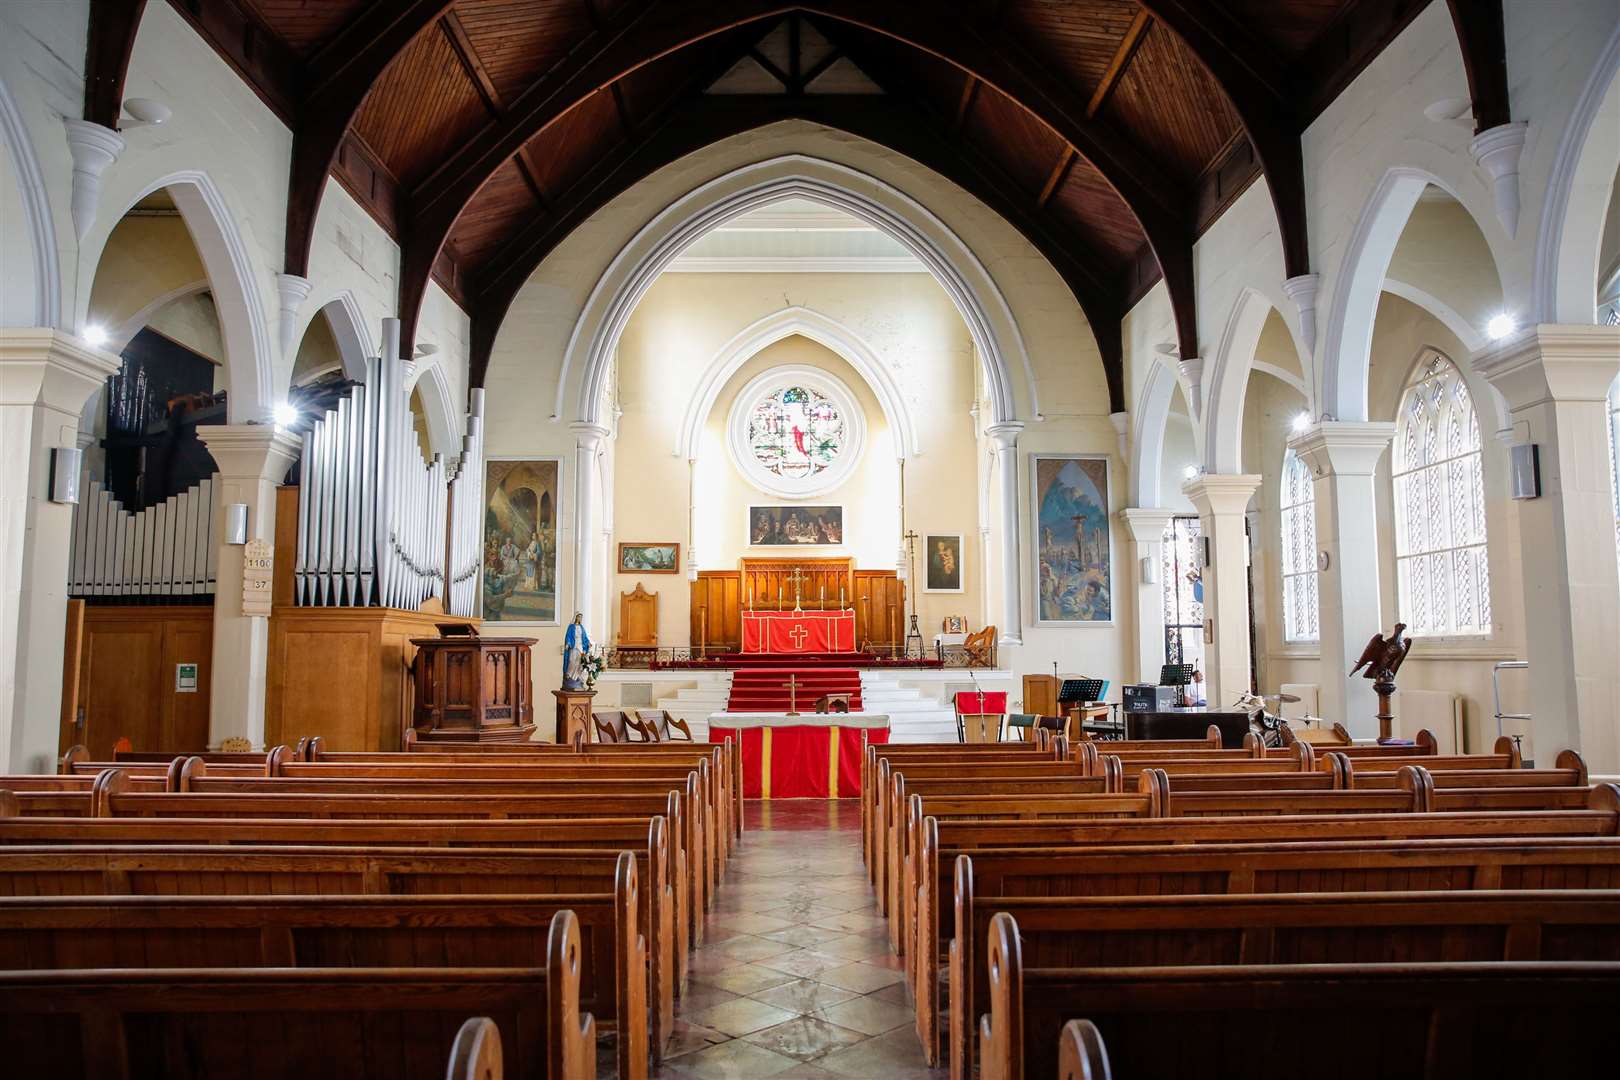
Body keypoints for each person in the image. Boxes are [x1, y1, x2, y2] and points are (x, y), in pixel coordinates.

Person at [562, 612, 591, 690]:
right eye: (578, 617)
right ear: (575, 618)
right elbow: (568, 636)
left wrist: (588, 643)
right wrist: (568, 643)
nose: (580, 619)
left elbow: (585, 637)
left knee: (579, 662)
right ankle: (569, 675)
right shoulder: (571, 627)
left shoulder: (581, 627)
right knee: (572, 660)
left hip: (580, 646)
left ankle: (576, 677)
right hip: (574, 646)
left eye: (581, 617)